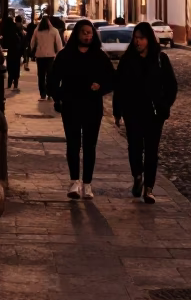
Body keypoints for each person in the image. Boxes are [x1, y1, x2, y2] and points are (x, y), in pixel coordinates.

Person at [48, 20, 115, 199]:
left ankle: (87, 183)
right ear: (77, 33)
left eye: (90, 33)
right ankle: (74, 181)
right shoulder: (65, 55)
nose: (87, 36)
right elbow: (53, 79)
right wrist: (59, 97)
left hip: (92, 105)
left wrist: (99, 87)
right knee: (73, 144)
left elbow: (111, 79)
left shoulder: (99, 56)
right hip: (71, 104)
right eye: (84, 32)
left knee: (90, 145)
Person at [114, 22, 177, 204]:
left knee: (151, 151)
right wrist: (118, 111)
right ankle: (137, 176)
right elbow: (120, 87)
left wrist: (165, 107)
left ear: (148, 39)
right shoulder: (127, 60)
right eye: (135, 38)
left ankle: (149, 188)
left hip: (154, 113)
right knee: (134, 148)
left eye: (141, 38)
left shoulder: (160, 59)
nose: (138, 42)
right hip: (132, 112)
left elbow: (171, 86)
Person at [30, 14, 62, 98]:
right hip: (50, 56)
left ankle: (42, 93)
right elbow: (59, 44)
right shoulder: (54, 31)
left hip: (39, 56)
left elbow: (32, 43)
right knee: (49, 74)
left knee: (41, 75)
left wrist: (33, 49)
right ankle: (49, 92)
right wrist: (59, 54)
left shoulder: (37, 31)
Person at [1, 13, 25, 90]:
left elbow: (5, 41)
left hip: (10, 51)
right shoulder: (17, 29)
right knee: (16, 67)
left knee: (10, 67)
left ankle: (9, 83)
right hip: (17, 51)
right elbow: (22, 40)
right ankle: (15, 84)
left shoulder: (7, 29)